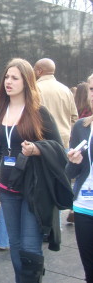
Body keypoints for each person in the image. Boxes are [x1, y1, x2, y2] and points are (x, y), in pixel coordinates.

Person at [0, 58, 73, 283]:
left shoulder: (38, 112)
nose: (8, 82)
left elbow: (59, 151)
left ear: (27, 81)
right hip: (7, 190)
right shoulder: (0, 111)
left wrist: (37, 150)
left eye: (15, 78)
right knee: (16, 246)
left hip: (33, 189)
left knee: (31, 248)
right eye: (6, 77)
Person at [65, 73, 93, 283]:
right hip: (85, 206)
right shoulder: (81, 127)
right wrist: (73, 162)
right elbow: (71, 173)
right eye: (92, 89)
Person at [34, 58, 78, 150]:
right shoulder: (66, 90)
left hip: (43, 143)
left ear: (39, 71)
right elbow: (74, 117)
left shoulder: (35, 89)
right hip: (64, 141)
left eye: (34, 69)